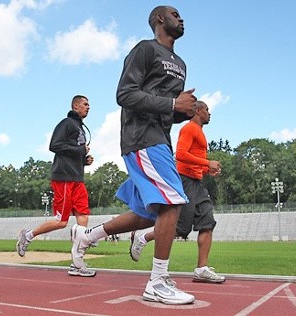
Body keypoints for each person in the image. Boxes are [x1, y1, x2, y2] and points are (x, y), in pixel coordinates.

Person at [70, 6, 197, 305]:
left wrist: (182, 110)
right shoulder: (145, 49)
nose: (181, 18)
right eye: (175, 14)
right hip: (142, 138)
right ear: (159, 20)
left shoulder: (180, 63)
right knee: (172, 204)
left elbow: (167, 108)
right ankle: (157, 281)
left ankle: (87, 236)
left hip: (160, 138)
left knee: (146, 214)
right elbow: (125, 95)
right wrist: (172, 104)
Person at [129, 101, 225, 284]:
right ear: (198, 111)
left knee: (207, 223)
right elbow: (180, 154)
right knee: (181, 229)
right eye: (207, 110)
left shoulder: (200, 132)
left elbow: (193, 160)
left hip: (197, 183)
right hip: (185, 181)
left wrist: (207, 170)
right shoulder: (189, 129)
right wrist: (207, 163)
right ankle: (143, 237)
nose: (209, 113)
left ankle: (202, 269)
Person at [16, 95, 95, 277]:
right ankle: (27, 236)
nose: (88, 107)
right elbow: (55, 145)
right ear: (75, 106)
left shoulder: (80, 127)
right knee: (62, 221)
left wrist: (84, 160)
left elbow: (73, 151)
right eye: (85, 104)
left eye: (89, 104)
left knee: (83, 217)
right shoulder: (66, 123)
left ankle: (77, 261)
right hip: (64, 178)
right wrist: (80, 151)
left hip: (77, 178)